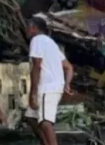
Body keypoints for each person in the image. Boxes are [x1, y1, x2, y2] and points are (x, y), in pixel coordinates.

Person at [24, 16, 74, 145]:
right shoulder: (51, 43)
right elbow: (68, 67)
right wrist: (67, 84)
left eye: (27, 27)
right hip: (53, 87)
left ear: (33, 27)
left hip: (47, 88)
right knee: (31, 117)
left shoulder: (37, 40)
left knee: (46, 122)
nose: (26, 30)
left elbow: (37, 66)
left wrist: (33, 92)